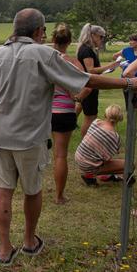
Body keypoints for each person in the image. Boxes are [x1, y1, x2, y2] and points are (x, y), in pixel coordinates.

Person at [0, 8, 137, 267]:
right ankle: (29, 241)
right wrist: (128, 84)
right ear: (39, 31)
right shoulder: (44, 54)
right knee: (32, 191)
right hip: (30, 138)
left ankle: (4, 250)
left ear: (15, 28)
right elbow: (86, 80)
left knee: (3, 191)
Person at [50, 24, 91, 204]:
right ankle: (59, 196)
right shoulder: (73, 62)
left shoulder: (45, 60)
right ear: (69, 41)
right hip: (64, 110)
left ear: (53, 40)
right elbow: (89, 85)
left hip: (43, 112)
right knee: (60, 155)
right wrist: (77, 99)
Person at [76, 23, 120, 138]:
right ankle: (85, 143)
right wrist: (109, 66)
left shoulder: (89, 49)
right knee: (90, 117)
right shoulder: (86, 50)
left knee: (92, 115)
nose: (102, 39)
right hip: (89, 86)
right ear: (93, 35)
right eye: (101, 37)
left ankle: (87, 141)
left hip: (91, 86)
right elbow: (90, 70)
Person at [75, 104, 125, 185]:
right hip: (89, 165)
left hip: (79, 158)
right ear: (119, 119)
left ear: (106, 114)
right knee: (128, 165)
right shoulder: (115, 137)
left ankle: (101, 175)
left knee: (101, 158)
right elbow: (107, 159)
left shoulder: (96, 122)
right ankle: (93, 175)